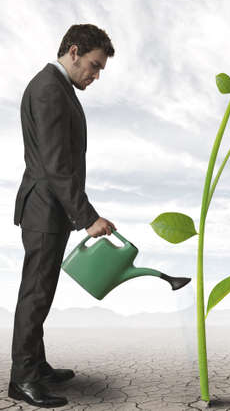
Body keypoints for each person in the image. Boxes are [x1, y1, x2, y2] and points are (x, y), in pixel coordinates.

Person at [10, 24, 190, 408]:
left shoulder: (57, 88)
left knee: (41, 293)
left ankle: (36, 365)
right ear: (73, 52)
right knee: (35, 293)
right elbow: (57, 165)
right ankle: (22, 378)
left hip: (50, 207)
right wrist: (88, 217)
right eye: (93, 66)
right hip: (44, 207)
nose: (94, 76)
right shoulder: (48, 89)